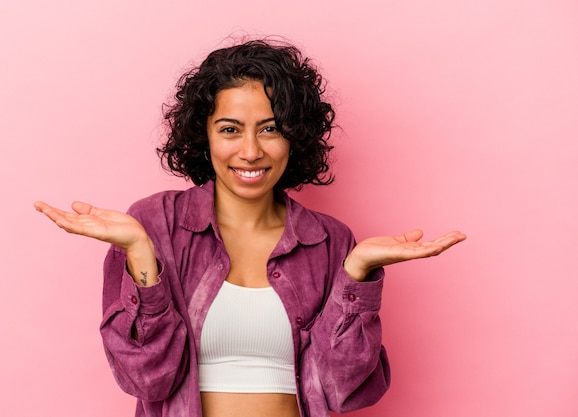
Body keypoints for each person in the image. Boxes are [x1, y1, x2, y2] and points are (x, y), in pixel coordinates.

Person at [34, 38, 466, 417]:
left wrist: (357, 275)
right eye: (230, 129)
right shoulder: (154, 224)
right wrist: (141, 257)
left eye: (270, 129)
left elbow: (343, 391)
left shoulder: (330, 241)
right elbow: (148, 380)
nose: (250, 150)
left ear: (295, 135)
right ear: (203, 135)